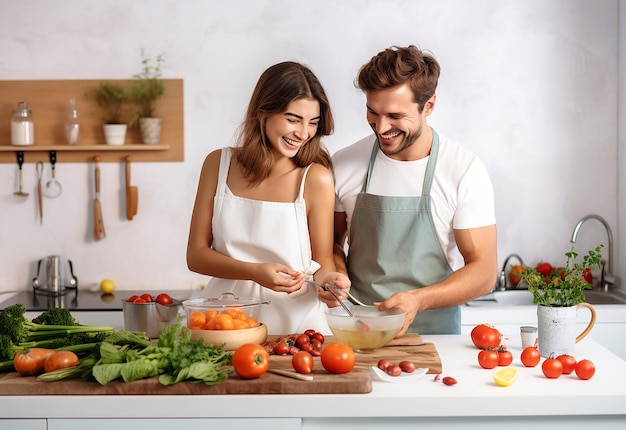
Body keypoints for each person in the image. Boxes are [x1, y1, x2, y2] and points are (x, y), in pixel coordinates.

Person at [331, 46, 498, 335]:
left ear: (429, 106)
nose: (381, 127)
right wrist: (335, 276)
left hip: (436, 338)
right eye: (372, 111)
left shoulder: (462, 170)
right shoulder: (344, 164)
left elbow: (484, 272)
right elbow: (329, 244)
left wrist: (417, 300)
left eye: (395, 115)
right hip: (360, 331)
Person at [187, 61, 349, 335]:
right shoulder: (218, 163)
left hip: (297, 324)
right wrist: (254, 271)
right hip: (226, 319)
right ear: (263, 112)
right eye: (293, 119)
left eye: (312, 122)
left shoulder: (316, 178)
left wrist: (331, 280)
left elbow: (322, 261)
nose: (303, 133)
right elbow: (196, 256)